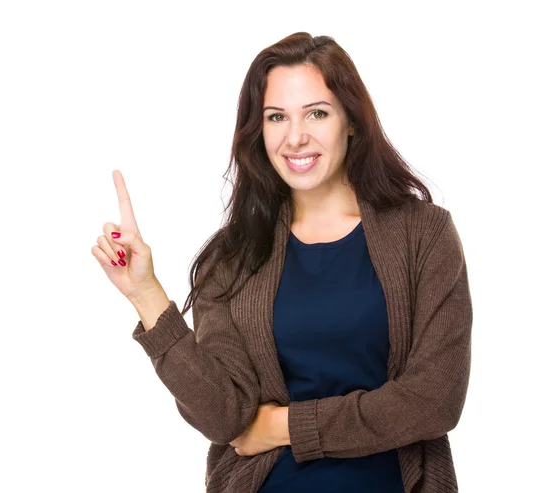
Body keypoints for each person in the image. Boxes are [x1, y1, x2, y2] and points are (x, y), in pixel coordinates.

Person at [91, 32, 472, 493]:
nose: (296, 137)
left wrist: (286, 427)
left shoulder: (424, 234)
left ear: (351, 121)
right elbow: (224, 417)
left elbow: (435, 400)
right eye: (277, 117)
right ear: (259, 131)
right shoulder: (231, 257)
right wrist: (146, 294)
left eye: (317, 113)